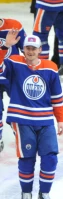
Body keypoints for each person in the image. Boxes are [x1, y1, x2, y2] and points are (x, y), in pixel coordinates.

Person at [0, 34, 63, 199]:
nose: (30, 51)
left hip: (45, 119)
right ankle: (26, 193)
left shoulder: (50, 68)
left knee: (50, 156)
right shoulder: (15, 63)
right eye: (27, 48)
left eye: (33, 49)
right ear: (24, 49)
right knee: (27, 157)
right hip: (21, 118)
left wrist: (61, 119)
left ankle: (44, 194)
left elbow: (57, 96)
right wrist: (5, 46)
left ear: (40, 51)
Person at [0, 18, 27, 153]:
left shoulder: (14, 25)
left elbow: (27, 50)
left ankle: (25, 134)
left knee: (21, 105)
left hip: (13, 75)